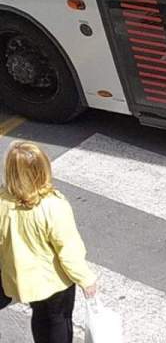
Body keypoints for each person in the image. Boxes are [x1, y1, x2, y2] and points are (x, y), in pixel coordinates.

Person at [0, 141, 97, 343]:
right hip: (55, 281)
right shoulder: (53, 206)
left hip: (26, 281)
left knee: (39, 316)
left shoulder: (3, 202)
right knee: (58, 319)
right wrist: (86, 279)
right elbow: (68, 251)